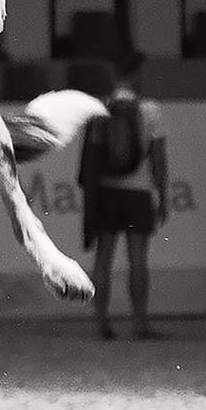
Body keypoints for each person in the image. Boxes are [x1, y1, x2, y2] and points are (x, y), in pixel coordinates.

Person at [77, 51, 168, 341]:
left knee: (103, 257)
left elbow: (91, 159)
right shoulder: (150, 110)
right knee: (138, 259)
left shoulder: (100, 108)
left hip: (106, 191)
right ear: (138, 74)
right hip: (138, 192)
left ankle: (101, 322)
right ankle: (140, 322)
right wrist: (163, 196)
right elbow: (159, 160)